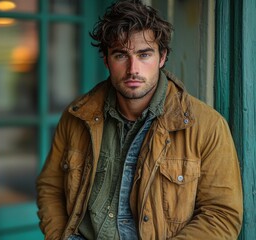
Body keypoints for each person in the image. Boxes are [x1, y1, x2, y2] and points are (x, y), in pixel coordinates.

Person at [36, 0, 243, 239]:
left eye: (144, 54)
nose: (133, 69)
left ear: (162, 57)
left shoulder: (208, 126)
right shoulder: (77, 117)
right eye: (121, 55)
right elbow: (50, 187)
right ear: (106, 60)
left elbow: (221, 215)